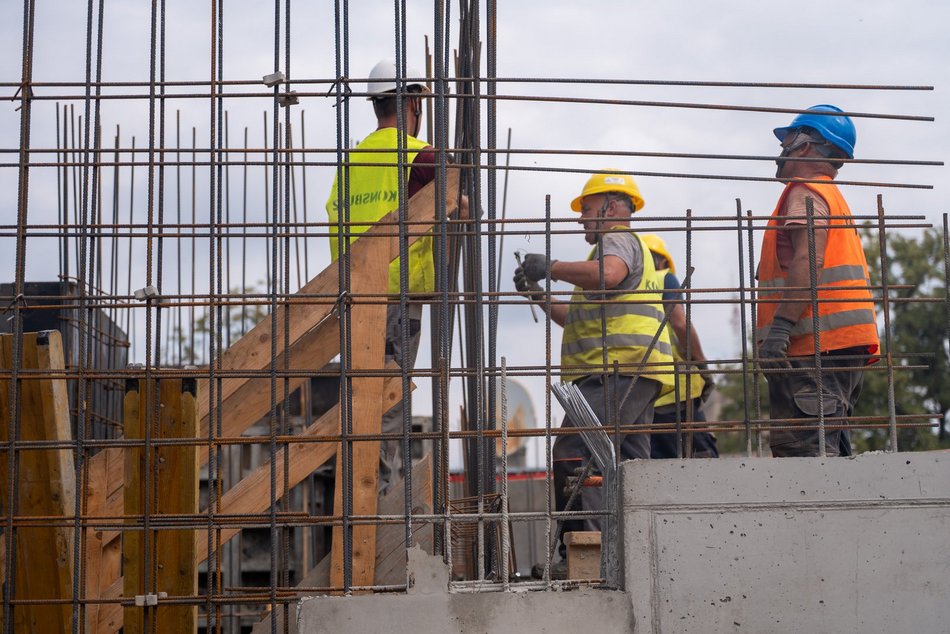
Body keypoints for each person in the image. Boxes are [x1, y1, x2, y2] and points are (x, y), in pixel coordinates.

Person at [513, 171, 674, 571]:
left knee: (574, 452)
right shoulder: (603, 254)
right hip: (632, 372)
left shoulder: (616, 240)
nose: (581, 218)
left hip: (618, 372)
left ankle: (582, 558)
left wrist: (550, 266)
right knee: (626, 464)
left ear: (612, 206)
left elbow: (610, 274)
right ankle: (630, 554)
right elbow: (576, 318)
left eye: (586, 208)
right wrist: (538, 294)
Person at [325, 59, 465, 492]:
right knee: (387, 404)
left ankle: (356, 495)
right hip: (398, 298)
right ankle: (377, 499)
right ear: (413, 103)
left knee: (359, 402)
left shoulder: (351, 162)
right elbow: (460, 204)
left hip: (351, 299)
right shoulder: (421, 157)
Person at [756, 104, 880, 457]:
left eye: (788, 140)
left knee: (805, 460)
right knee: (829, 455)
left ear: (807, 145)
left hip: (813, 351)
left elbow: (808, 258)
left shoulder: (805, 191)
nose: (781, 150)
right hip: (838, 348)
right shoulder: (831, 196)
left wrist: (780, 328)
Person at [638, 234, 718, 459]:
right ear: (663, 261)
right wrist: (704, 368)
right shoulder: (665, 278)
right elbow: (680, 324)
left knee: (653, 469)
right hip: (676, 392)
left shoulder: (626, 288)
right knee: (700, 465)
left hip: (642, 396)